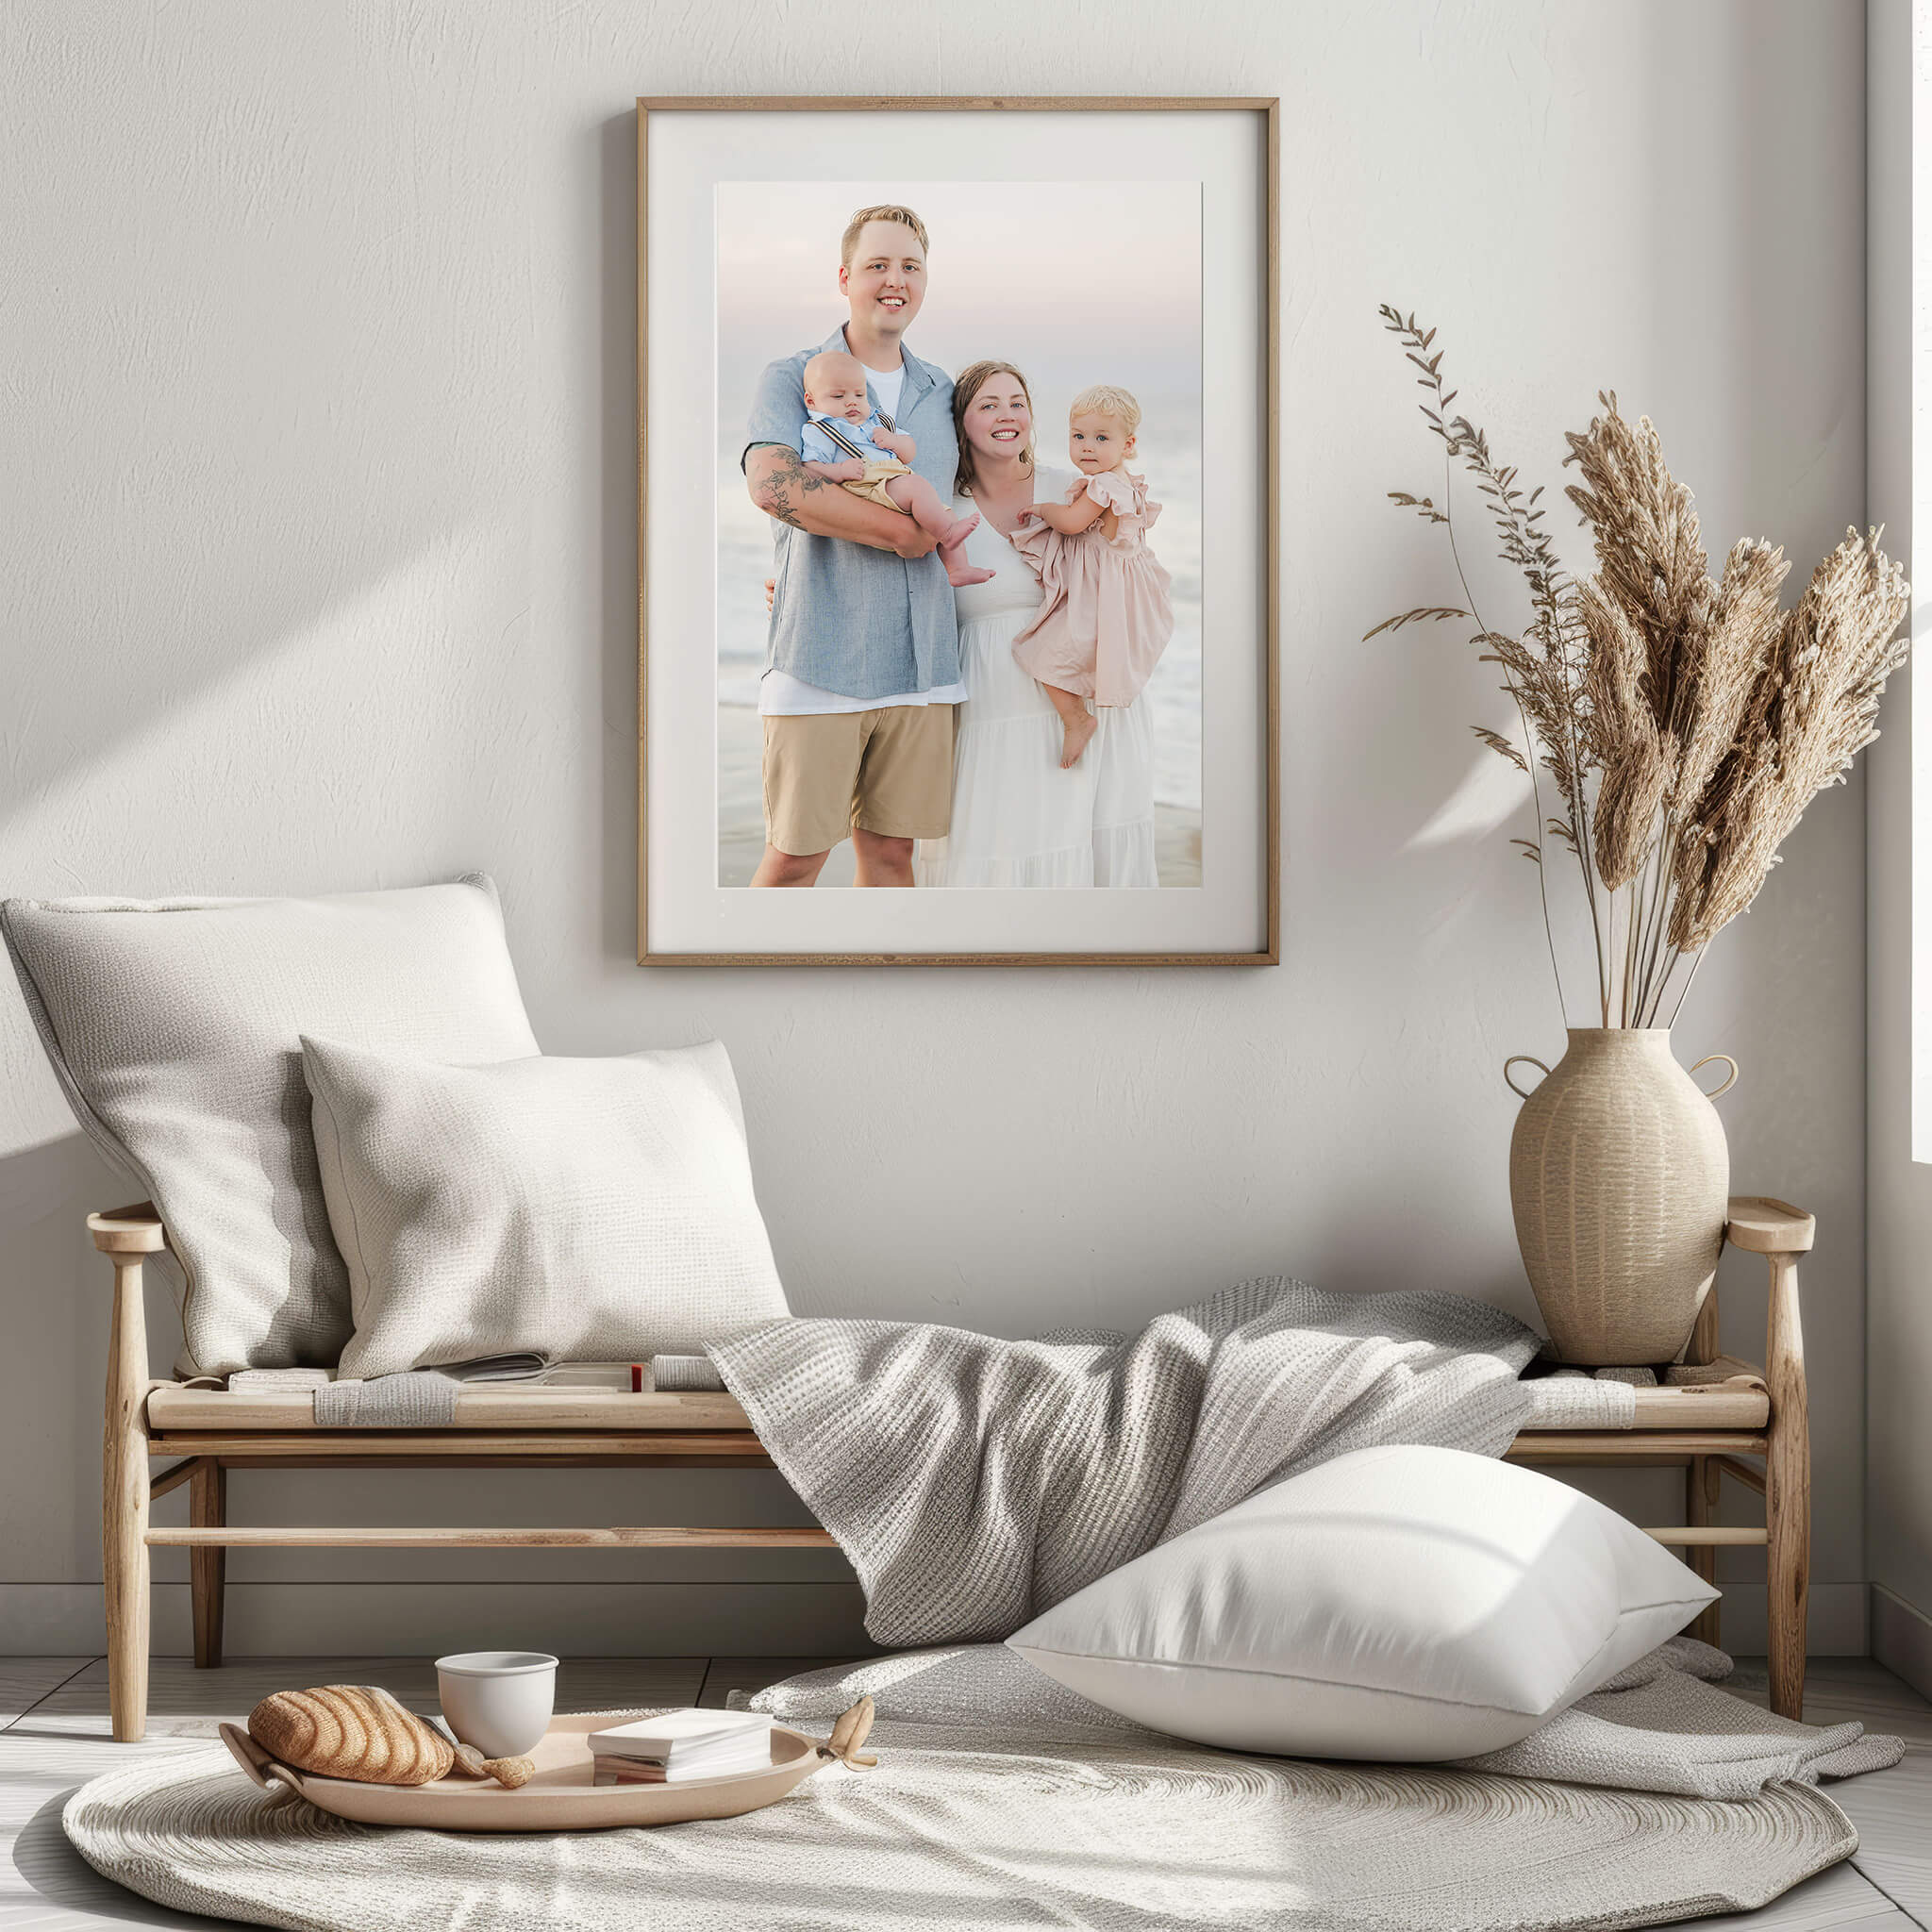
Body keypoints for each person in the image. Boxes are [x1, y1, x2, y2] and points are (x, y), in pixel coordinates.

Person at [741, 205, 967, 888]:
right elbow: (773, 485)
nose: (893, 280)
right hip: (821, 656)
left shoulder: (944, 393)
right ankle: (737, 995)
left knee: (895, 861)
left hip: (924, 663)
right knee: (793, 862)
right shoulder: (793, 376)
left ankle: (880, 998)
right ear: (845, 277)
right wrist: (903, 534)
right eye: (877, 265)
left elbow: (990, 491)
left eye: (909, 266)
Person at [915, 363, 1161, 890]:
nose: (1007, 415)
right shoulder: (939, 508)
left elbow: (1126, 576)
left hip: (1082, 699)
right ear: (961, 422)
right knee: (993, 851)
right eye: (988, 404)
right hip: (989, 709)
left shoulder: (1074, 488)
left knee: (1084, 856)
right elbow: (903, 590)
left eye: (1017, 402)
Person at [1009, 384, 1175, 770]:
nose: (1087, 447)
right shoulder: (1127, 482)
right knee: (1077, 649)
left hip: (1102, 592)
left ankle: (1076, 719)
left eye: (1102, 438)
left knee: (1044, 650)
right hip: (1118, 588)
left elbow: (1071, 524)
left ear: (1128, 444)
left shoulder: (1104, 485)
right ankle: (1079, 713)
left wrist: (1043, 509)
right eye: (1078, 436)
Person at [797, 350, 993, 589]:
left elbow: (909, 451)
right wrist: (839, 471)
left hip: (892, 479)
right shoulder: (821, 429)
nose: (851, 402)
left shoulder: (878, 420)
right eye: (838, 396)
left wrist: (893, 441)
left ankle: (958, 569)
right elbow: (810, 467)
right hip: (865, 485)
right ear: (811, 401)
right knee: (918, 488)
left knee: (945, 512)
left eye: (859, 394)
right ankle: (949, 534)